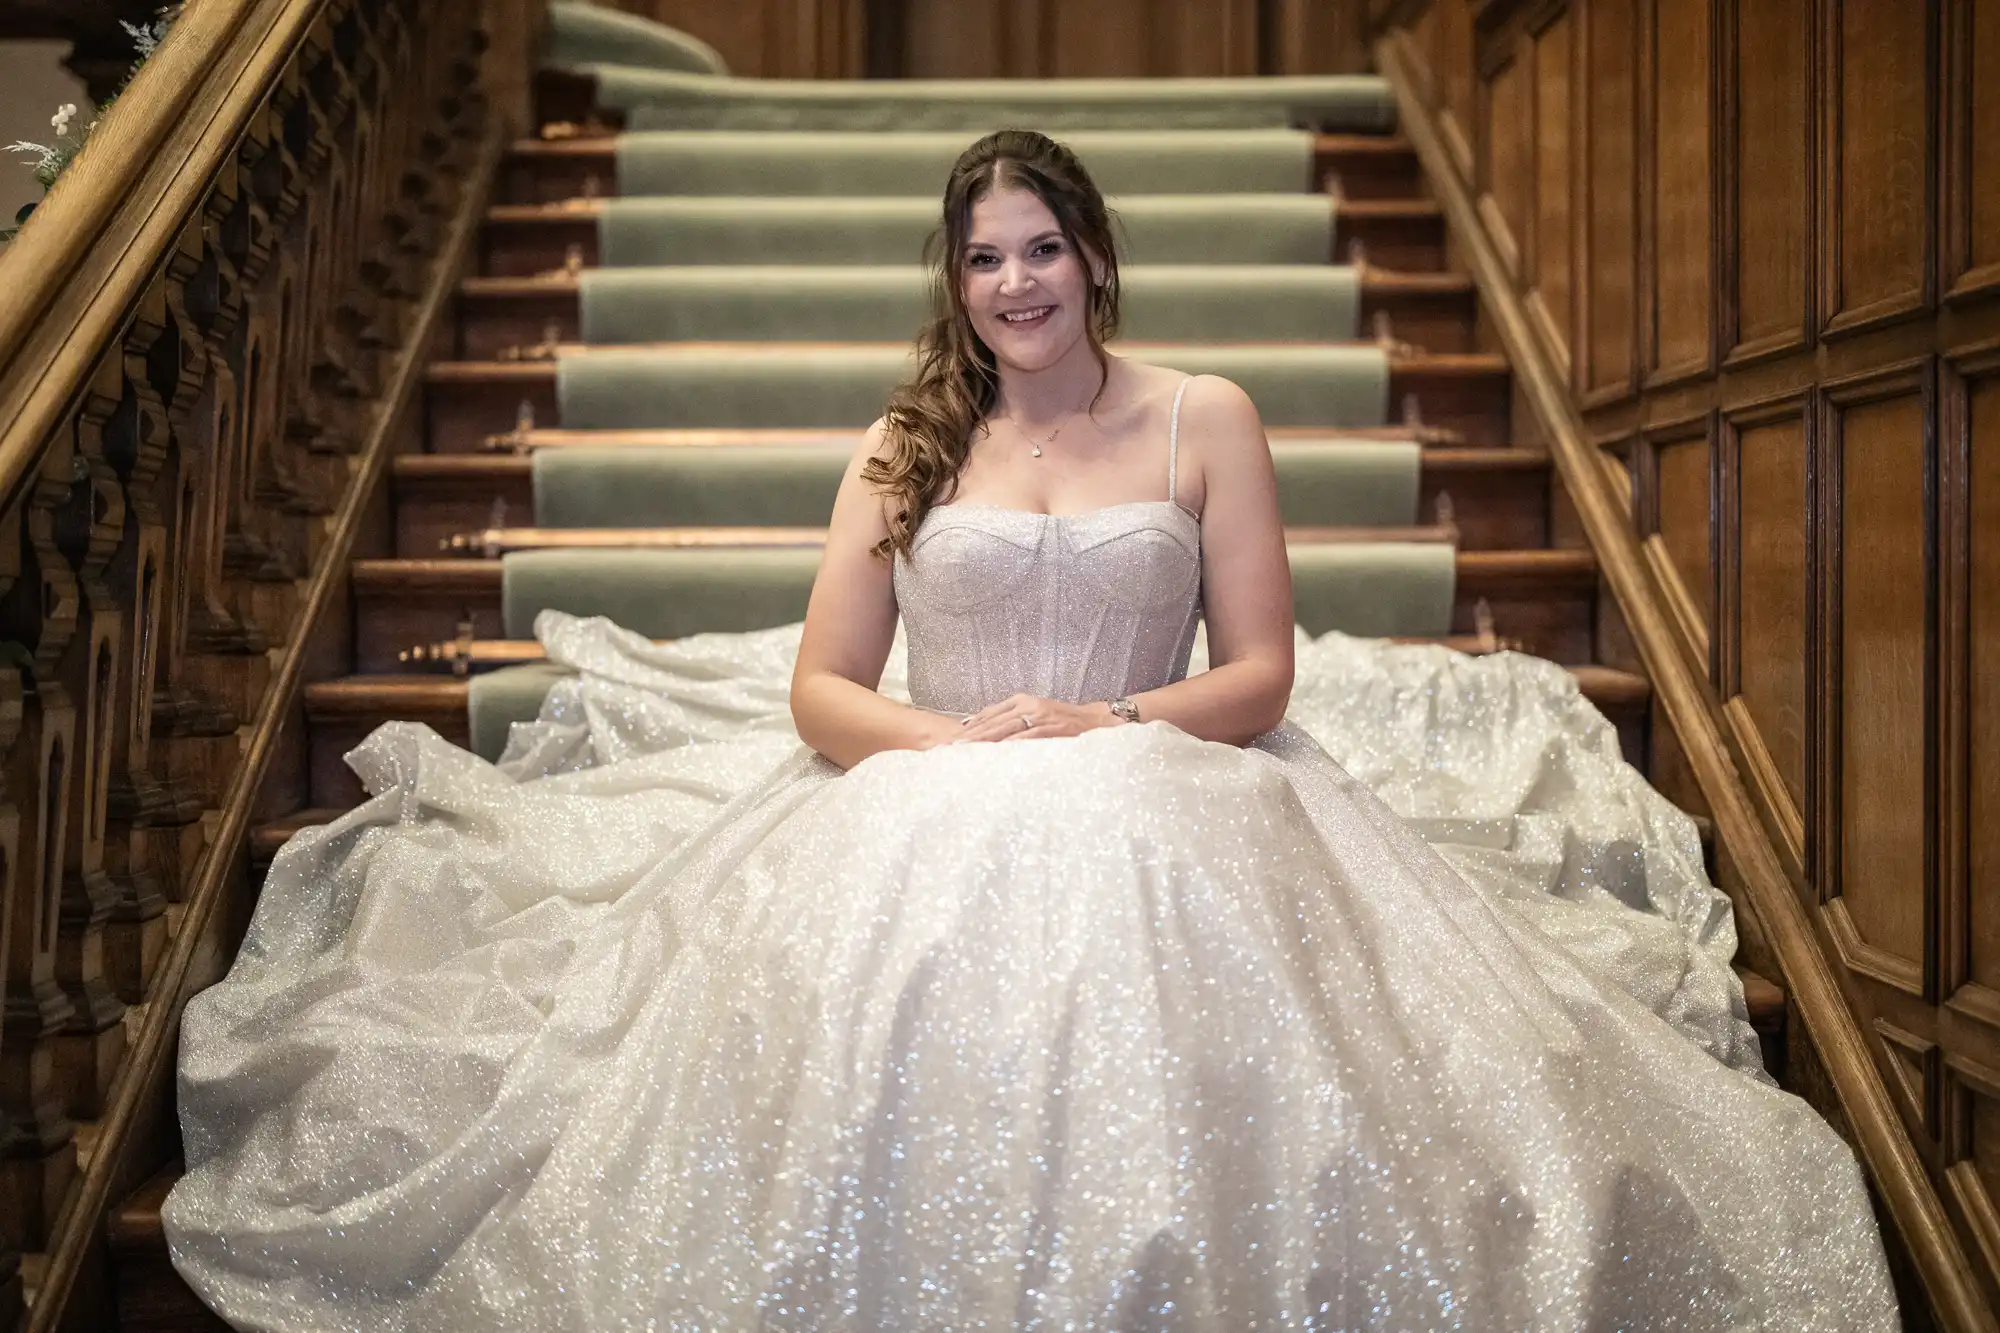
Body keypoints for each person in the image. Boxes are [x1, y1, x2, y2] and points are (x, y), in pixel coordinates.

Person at [165, 129, 1899, 1330]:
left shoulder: (1204, 417)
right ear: (959, 279)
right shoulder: (903, 443)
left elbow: (1266, 672)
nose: (1015, 284)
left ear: (1093, 257)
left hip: (1171, 766)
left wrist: (1109, 716)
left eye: (1042, 249)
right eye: (985, 258)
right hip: (934, 777)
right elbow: (822, 690)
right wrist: (954, 748)